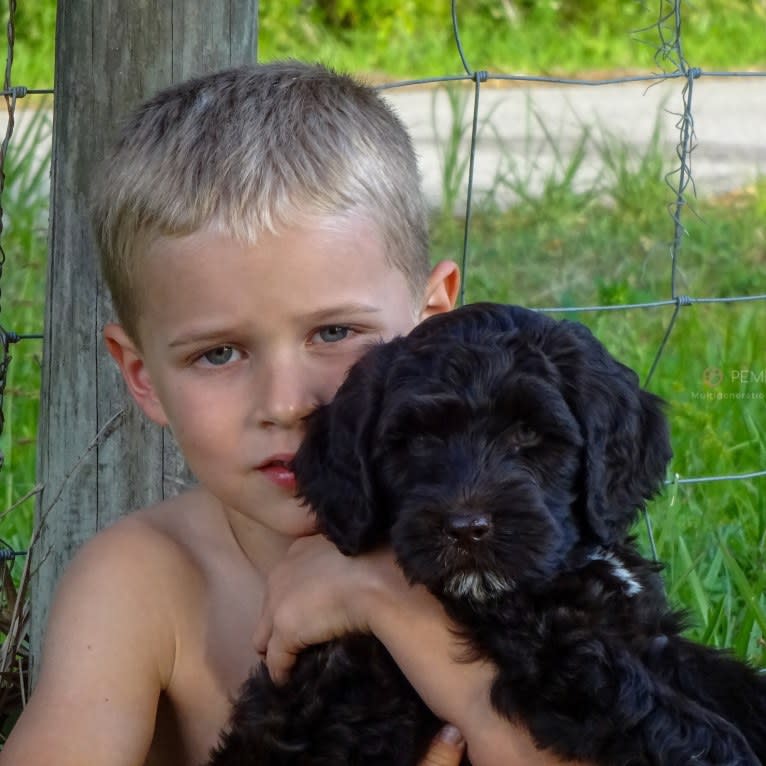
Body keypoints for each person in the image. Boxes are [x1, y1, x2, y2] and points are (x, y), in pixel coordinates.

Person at [0, 62, 588, 766]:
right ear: (143, 376)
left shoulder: (513, 541)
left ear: (433, 321)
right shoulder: (143, 583)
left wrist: (392, 608)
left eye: (335, 334)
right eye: (218, 354)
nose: (288, 404)